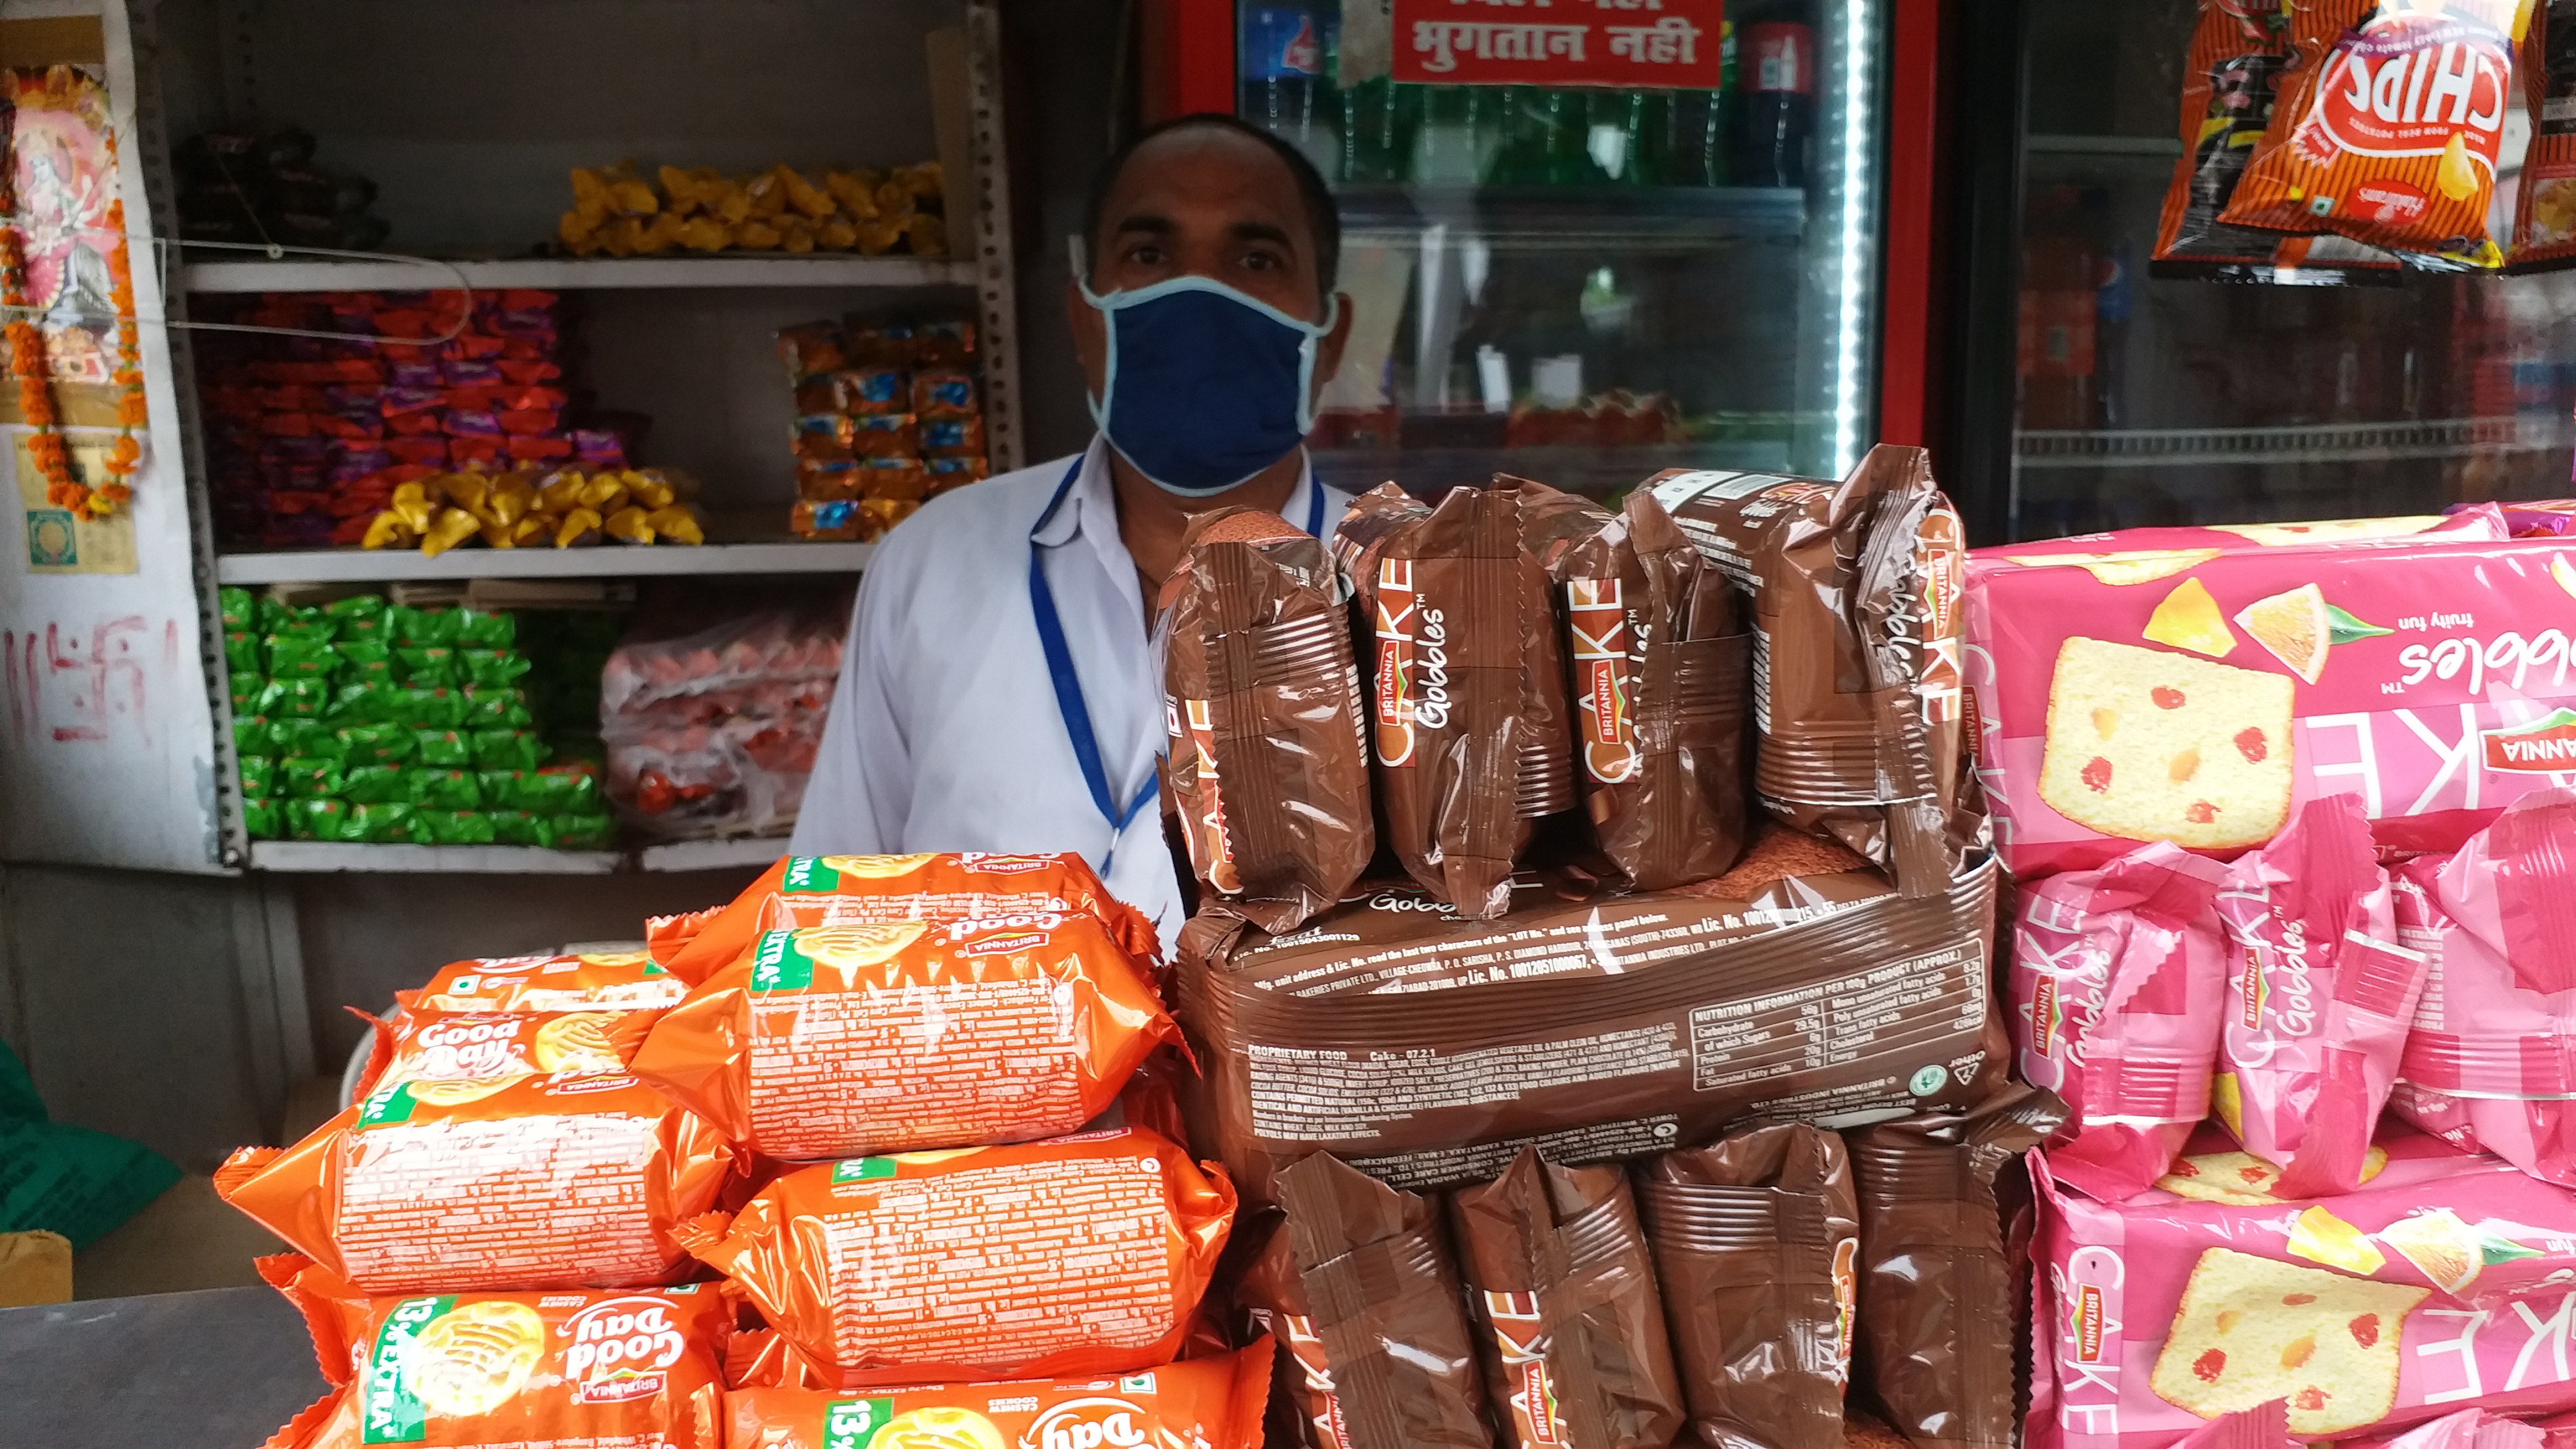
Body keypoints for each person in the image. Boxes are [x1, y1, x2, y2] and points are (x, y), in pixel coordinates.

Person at [792, 113, 1358, 949]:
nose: (1198, 294)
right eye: (1149, 255)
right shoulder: (933, 563)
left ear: (1330, 335)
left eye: (1255, 259)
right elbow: (832, 907)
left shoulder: (1412, 597)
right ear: (1085, 318)